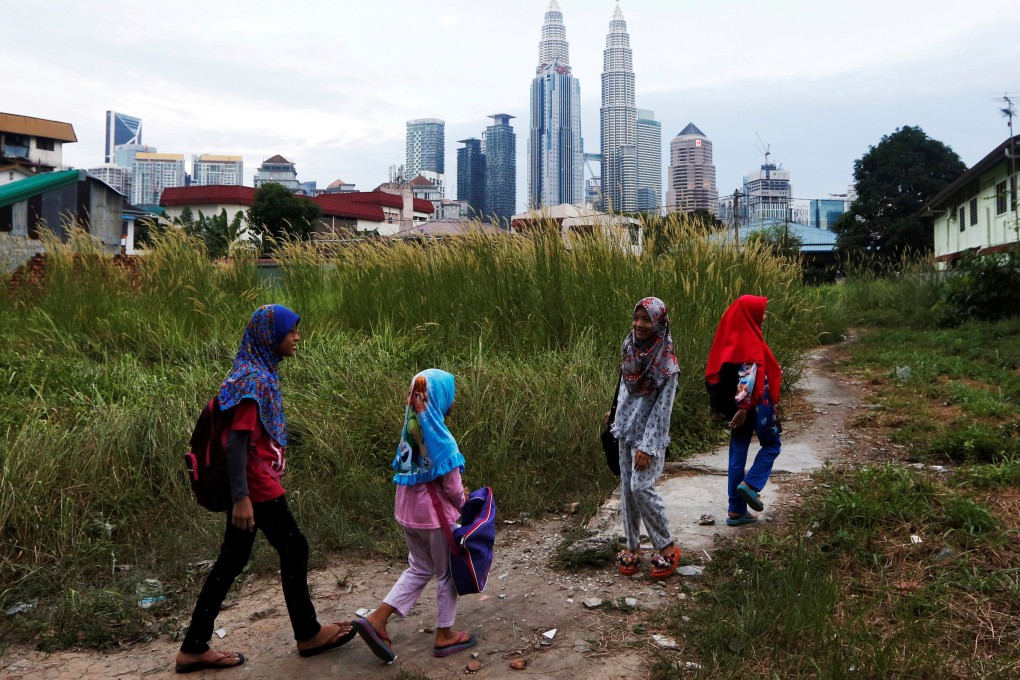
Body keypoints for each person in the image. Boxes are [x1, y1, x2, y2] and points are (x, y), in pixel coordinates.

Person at [175, 305, 354, 674]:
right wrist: (241, 499)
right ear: (270, 337)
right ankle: (308, 634)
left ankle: (194, 647)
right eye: (291, 331)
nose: (297, 337)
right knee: (294, 546)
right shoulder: (255, 381)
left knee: (233, 559)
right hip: (256, 487)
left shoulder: (253, 373)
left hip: (253, 485)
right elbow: (235, 444)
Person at [352, 369, 475, 663]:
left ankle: (377, 618)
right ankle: (445, 635)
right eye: (451, 395)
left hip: (408, 513)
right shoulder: (443, 440)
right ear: (439, 399)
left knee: (420, 567)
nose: (453, 402)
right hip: (436, 519)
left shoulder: (409, 433)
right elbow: (453, 488)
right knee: (446, 573)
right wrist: (465, 502)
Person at [608, 297, 682, 580]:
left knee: (641, 487)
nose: (639, 324)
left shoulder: (667, 363)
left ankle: (666, 545)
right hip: (624, 426)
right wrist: (614, 409)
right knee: (626, 488)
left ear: (659, 322)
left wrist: (649, 446)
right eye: (636, 318)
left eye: (646, 319)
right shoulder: (630, 345)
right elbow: (624, 382)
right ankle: (633, 545)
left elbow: (663, 411)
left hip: (647, 436)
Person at [704, 295, 783, 527]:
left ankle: (736, 510)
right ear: (750, 314)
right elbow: (747, 377)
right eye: (761, 311)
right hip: (756, 407)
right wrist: (743, 408)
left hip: (736, 409)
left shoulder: (730, 337)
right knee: (772, 445)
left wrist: (736, 410)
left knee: (737, 454)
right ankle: (751, 484)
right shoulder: (750, 340)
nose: (765, 315)